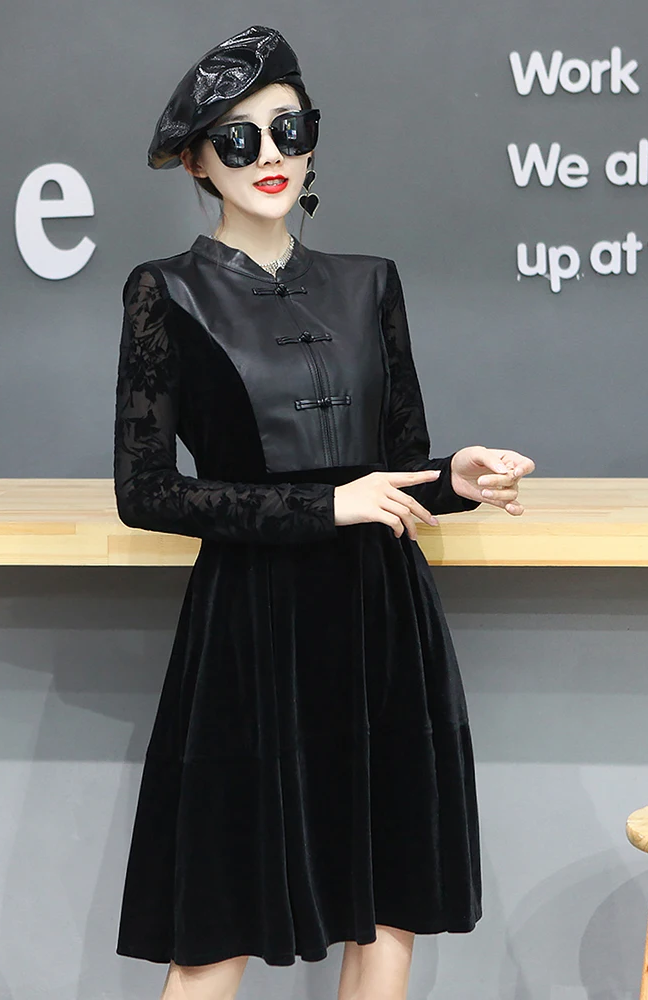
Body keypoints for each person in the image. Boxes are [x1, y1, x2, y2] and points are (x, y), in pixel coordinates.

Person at [113, 24, 535, 1000]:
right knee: (216, 928)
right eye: (238, 138)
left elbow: (399, 471)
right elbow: (147, 492)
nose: (269, 155)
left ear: (312, 141)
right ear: (197, 161)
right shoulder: (164, 294)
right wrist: (325, 502)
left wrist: (457, 478)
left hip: (383, 622)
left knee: (388, 906)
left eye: (288, 129)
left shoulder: (370, 282)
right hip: (252, 632)